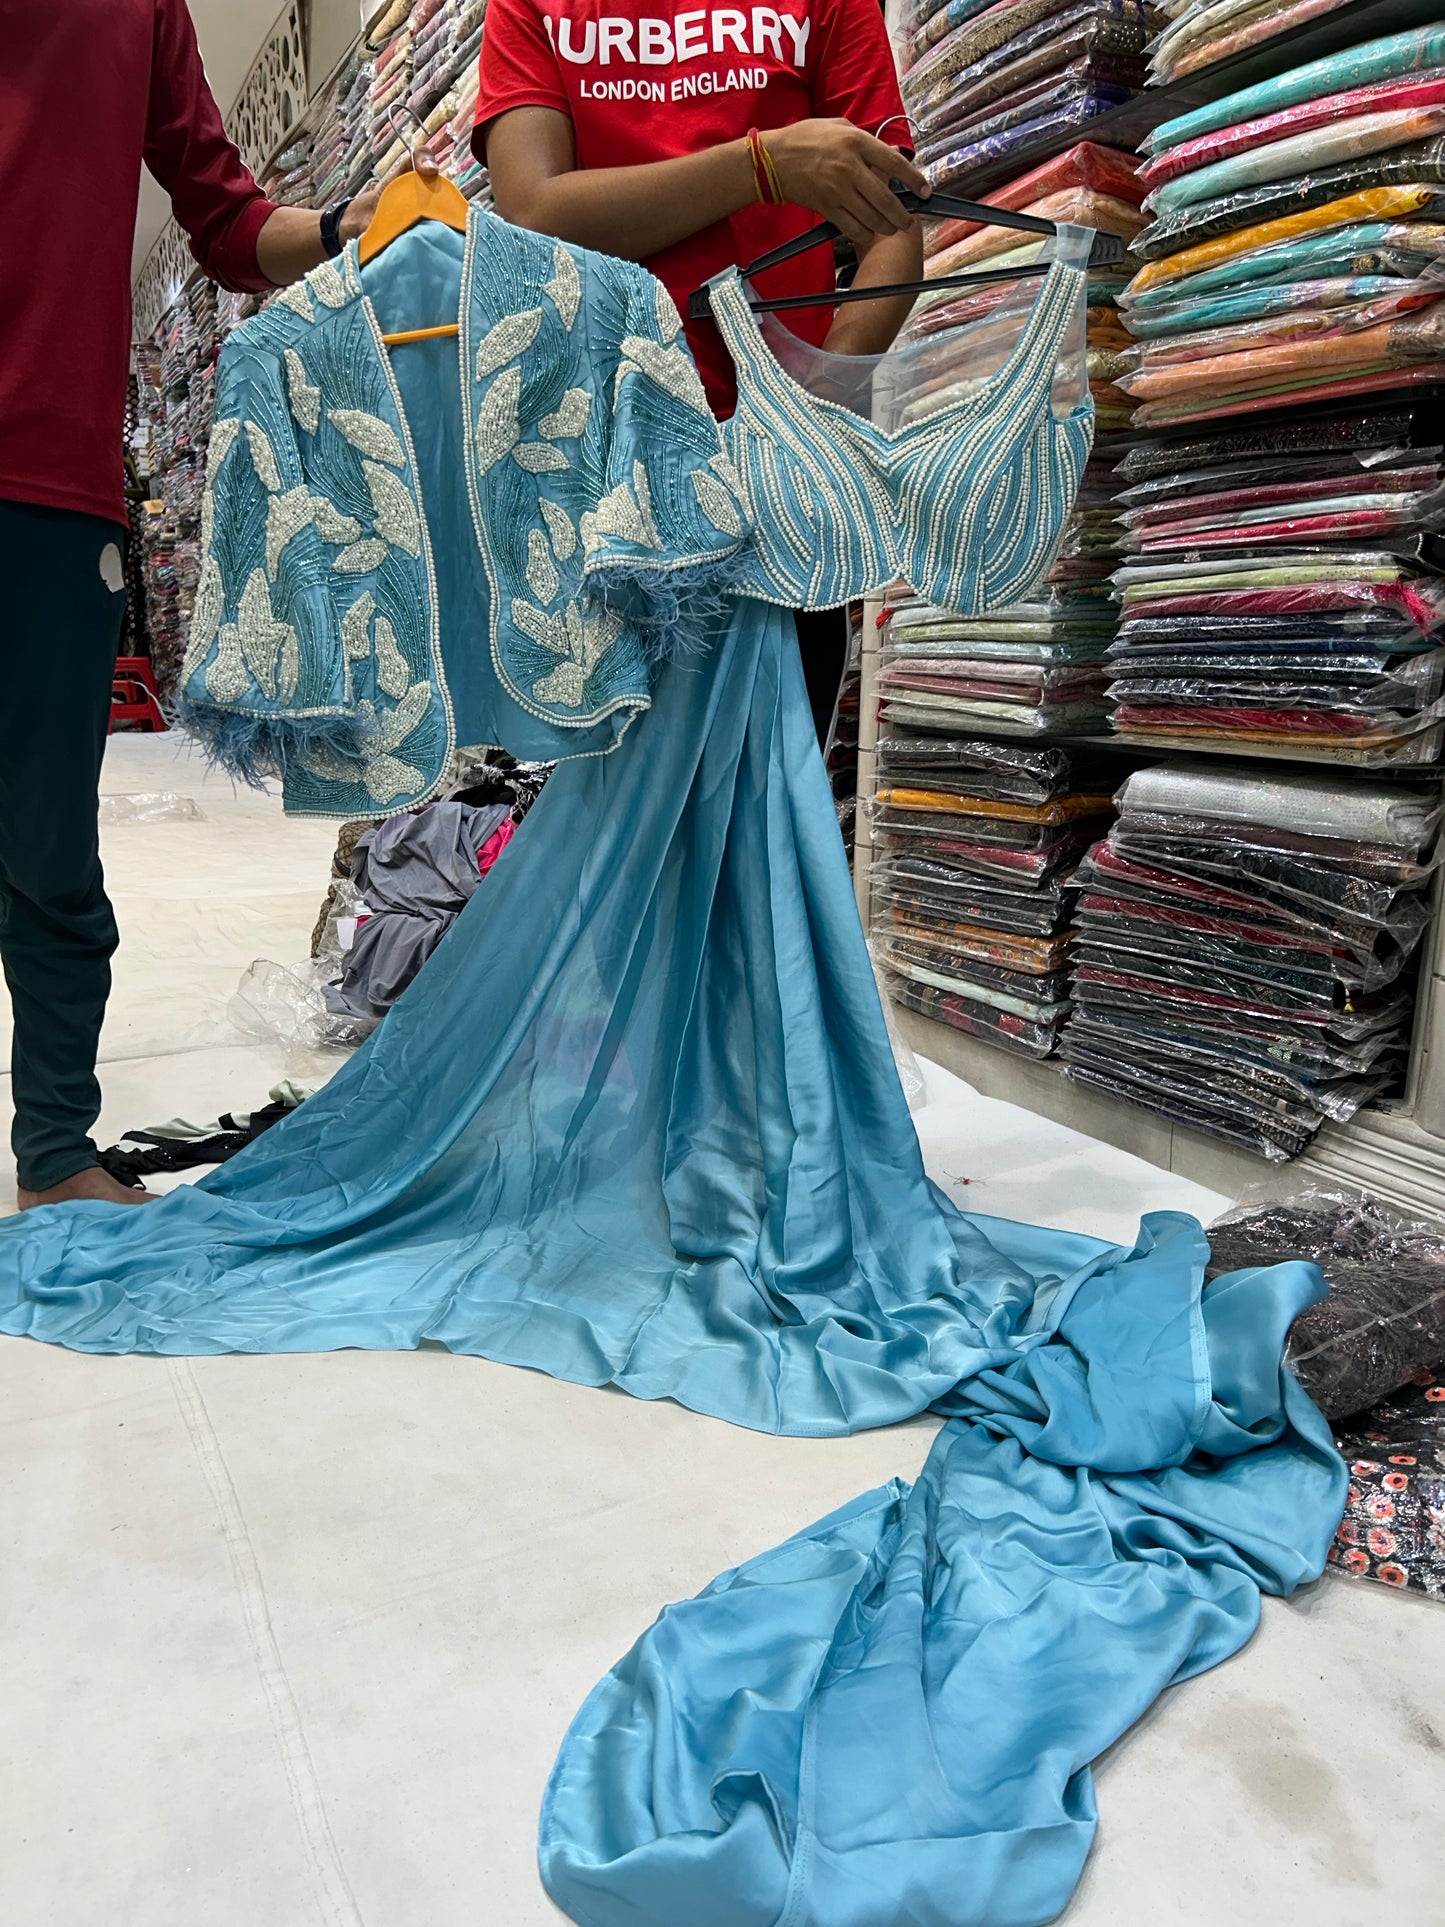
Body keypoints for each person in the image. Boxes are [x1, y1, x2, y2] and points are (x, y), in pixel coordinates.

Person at [0, 0, 390, 1212]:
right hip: (51, 483)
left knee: (47, 838)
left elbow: (222, 220)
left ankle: (57, 1145)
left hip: (51, 479)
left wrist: (341, 229)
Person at [474, 0, 930, 740]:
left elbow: (893, 226)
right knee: (608, 787)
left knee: (770, 791)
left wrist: (815, 394)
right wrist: (759, 165)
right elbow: (530, 210)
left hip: (775, 481)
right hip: (600, 475)